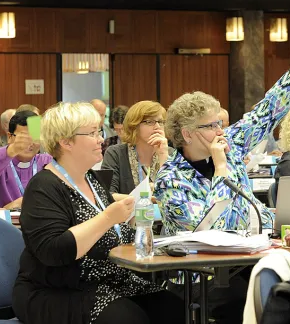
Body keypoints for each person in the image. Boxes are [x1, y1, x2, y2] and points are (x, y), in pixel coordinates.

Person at [153, 30, 290, 323]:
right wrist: (221, 170)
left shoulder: (228, 144)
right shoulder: (170, 179)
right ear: (187, 134)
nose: (221, 131)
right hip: (202, 279)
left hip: (247, 262)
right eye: (211, 126)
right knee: (265, 301)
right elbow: (207, 233)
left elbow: (267, 111)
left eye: (220, 123)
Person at [12, 102, 184, 324]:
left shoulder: (91, 180)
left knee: (173, 307)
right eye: (92, 133)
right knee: (129, 319)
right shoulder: (44, 186)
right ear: (65, 142)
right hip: (56, 289)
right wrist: (107, 218)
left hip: (105, 280)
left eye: (99, 131)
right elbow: (54, 251)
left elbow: (117, 232)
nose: (101, 139)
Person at [0, 110, 51, 211]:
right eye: (24, 138)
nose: (30, 143)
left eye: (35, 137)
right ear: (10, 137)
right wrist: (14, 149)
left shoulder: (46, 162)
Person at [102, 101, 170, 196]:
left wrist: (163, 156)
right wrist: (146, 198)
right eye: (150, 122)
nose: (158, 127)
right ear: (134, 126)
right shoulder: (115, 153)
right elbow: (108, 195)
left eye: (161, 122)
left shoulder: (171, 154)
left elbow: (178, 195)